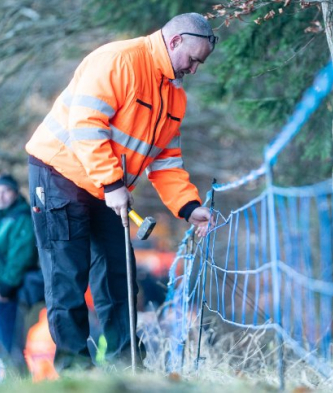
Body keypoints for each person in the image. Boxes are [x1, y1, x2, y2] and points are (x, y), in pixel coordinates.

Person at [25, 12, 215, 370]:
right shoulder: (118, 61)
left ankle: (126, 364)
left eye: (199, 64)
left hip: (106, 188)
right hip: (58, 172)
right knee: (68, 275)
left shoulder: (175, 98)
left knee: (118, 273)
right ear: (175, 41)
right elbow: (85, 125)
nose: (194, 70)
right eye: (192, 60)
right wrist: (112, 184)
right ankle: (74, 368)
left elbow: (166, 162)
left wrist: (189, 208)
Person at [0, 174, 39, 373]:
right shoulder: (0, 220)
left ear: (15, 193)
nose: (0, 196)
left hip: (8, 292)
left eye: (5, 191)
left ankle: (20, 380)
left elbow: (21, 254)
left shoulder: (21, 218)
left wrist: (7, 285)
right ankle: (9, 380)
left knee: (11, 344)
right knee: (3, 345)